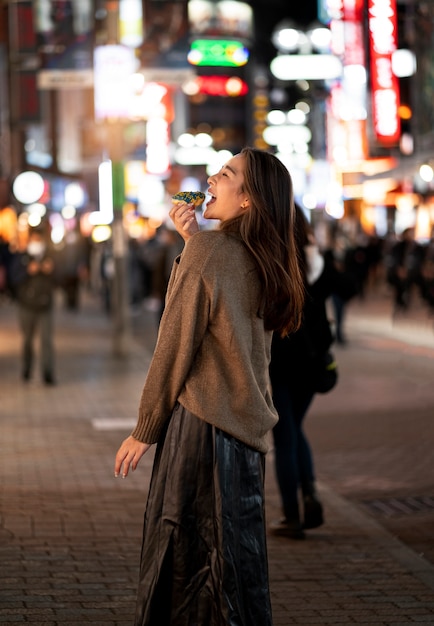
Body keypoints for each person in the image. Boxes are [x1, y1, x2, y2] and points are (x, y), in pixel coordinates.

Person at [114, 148, 305, 625]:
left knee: (182, 569)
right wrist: (194, 240)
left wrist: (145, 428)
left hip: (200, 429)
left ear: (247, 200)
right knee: (237, 571)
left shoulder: (211, 252)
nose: (211, 180)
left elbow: (175, 342)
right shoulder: (266, 258)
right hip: (246, 434)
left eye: (225, 174)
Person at [269, 206, 355, 539]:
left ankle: (292, 515)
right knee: (295, 430)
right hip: (311, 361)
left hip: (278, 363)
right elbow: (348, 287)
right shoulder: (313, 261)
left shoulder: (272, 262)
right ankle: (310, 495)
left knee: (285, 437)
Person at [9, 227, 57, 384]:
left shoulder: (50, 256)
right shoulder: (22, 257)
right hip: (26, 305)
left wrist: (51, 270)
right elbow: (13, 277)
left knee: (47, 341)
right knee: (28, 340)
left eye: (39, 240)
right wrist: (27, 271)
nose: (37, 243)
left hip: (45, 304)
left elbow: (62, 276)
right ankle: (26, 370)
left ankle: (48, 373)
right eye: (34, 239)